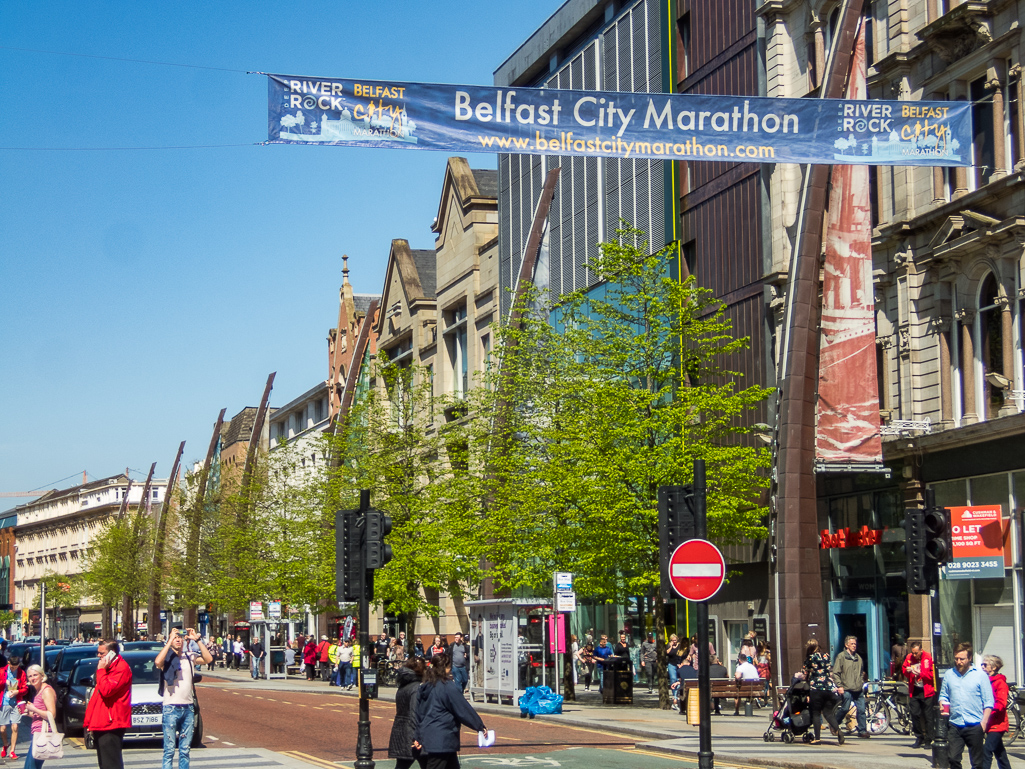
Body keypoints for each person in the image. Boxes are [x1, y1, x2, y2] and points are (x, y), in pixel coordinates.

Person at [413, 653, 488, 769]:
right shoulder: (447, 686)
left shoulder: (425, 687)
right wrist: (479, 725)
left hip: (430, 737)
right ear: (446, 668)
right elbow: (462, 709)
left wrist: (417, 736)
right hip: (443, 738)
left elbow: (418, 714)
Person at [156, 627, 213, 769]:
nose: (178, 640)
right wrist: (168, 641)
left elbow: (208, 658)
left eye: (180, 638)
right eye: (175, 638)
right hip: (171, 707)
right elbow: (158, 662)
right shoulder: (167, 658)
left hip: (187, 707)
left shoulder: (189, 656)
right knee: (169, 750)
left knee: (185, 750)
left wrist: (197, 640)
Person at [939, 642, 993, 769]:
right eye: (956, 658)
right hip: (955, 723)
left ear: (969, 658)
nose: (958, 662)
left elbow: (989, 701)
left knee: (977, 762)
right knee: (952, 758)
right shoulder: (949, 674)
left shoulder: (980, 675)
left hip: (975, 724)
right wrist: (942, 703)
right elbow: (943, 695)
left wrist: (984, 723)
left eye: (962, 659)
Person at [84, 640, 132, 769]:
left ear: (112, 653)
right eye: (98, 653)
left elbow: (107, 690)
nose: (99, 656)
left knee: (111, 763)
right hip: (102, 721)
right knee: (104, 763)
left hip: (112, 722)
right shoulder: (108, 668)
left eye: (102, 653)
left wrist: (101, 671)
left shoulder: (120, 668)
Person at [803, 638, 843, 745]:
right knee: (828, 712)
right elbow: (828, 669)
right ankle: (838, 730)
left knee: (816, 713)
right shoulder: (826, 656)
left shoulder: (810, 658)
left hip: (816, 689)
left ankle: (817, 738)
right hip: (828, 688)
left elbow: (805, 673)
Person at [388, 658, 424, 769]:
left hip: (401, 730)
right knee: (428, 763)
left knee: (402, 765)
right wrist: (417, 736)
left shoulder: (403, 686)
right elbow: (414, 712)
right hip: (412, 734)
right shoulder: (417, 687)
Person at [832, 635, 869, 738]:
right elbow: (836, 673)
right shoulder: (841, 657)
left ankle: (862, 731)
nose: (854, 646)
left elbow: (861, 672)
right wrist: (839, 686)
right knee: (845, 708)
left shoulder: (858, 658)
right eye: (852, 644)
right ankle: (834, 724)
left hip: (858, 688)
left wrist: (861, 682)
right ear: (846, 645)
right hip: (846, 687)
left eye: (855, 644)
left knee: (861, 710)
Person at [903, 640, 937, 748]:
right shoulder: (909, 658)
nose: (914, 655)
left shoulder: (928, 657)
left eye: (916, 653)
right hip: (915, 690)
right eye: (912, 652)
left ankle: (928, 739)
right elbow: (904, 669)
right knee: (915, 714)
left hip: (927, 690)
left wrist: (920, 673)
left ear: (921, 650)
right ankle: (919, 736)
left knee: (928, 716)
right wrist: (907, 671)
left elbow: (931, 676)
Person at [22, 664, 56, 769]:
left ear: (42, 675)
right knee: (32, 766)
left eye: (35, 675)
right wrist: (28, 713)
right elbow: (40, 715)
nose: (33, 678)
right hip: (37, 733)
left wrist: (34, 709)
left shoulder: (46, 690)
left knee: (30, 767)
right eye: (30, 676)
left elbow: (52, 714)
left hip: (43, 734)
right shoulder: (38, 691)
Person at [980, 655, 1011, 769]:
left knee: (987, 750)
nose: (982, 667)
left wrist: (988, 712)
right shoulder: (985, 681)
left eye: (985, 665)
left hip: (998, 724)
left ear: (993, 667)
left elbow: (1001, 704)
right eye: (981, 665)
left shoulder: (1000, 683)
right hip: (989, 723)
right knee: (1000, 752)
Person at [0, 655, 27, 760]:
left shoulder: (21, 673)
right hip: (4, 702)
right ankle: (6, 744)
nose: (13, 669)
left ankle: (12, 751)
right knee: (2, 729)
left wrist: (18, 691)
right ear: (8, 663)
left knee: (15, 727)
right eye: (12, 667)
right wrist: (3, 682)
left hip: (16, 703)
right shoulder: (2, 671)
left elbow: (25, 688)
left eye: (15, 667)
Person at [666, 634, 684, 710]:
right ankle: (674, 696)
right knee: (673, 679)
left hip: (679, 664)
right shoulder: (669, 645)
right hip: (671, 665)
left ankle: (678, 696)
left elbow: (682, 654)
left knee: (678, 680)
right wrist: (670, 646)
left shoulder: (680, 646)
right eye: (672, 640)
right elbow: (667, 653)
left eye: (675, 640)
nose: (674, 642)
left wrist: (681, 663)